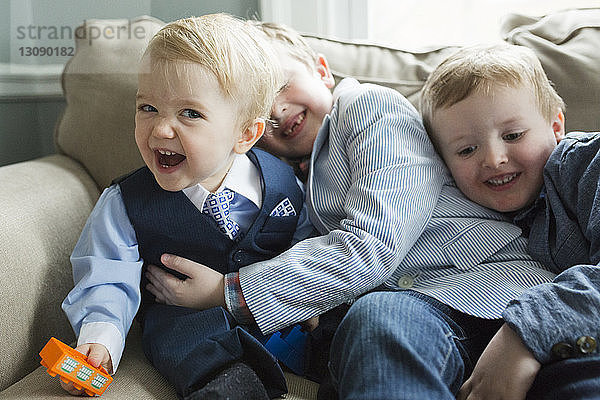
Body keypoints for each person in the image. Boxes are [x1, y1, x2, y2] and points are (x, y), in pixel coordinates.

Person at [145, 23, 561, 399]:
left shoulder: (366, 108)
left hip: (492, 293)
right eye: (257, 107)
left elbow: (375, 242)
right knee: (369, 328)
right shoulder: (289, 182)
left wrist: (230, 292)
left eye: (282, 84)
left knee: (377, 318)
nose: (275, 112)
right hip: (415, 319)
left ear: (322, 71)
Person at [60, 14, 315, 400]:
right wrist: (101, 337)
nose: (161, 129)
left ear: (245, 134)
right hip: (188, 325)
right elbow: (106, 276)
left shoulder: (284, 184)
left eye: (190, 113)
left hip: (277, 316)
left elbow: (306, 244)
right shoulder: (125, 202)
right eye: (147, 108)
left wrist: (311, 300)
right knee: (187, 339)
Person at [420, 42, 600, 399]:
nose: (494, 158)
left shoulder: (585, 165)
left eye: (513, 135)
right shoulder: (474, 212)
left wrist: (525, 332)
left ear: (556, 126)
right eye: (466, 150)